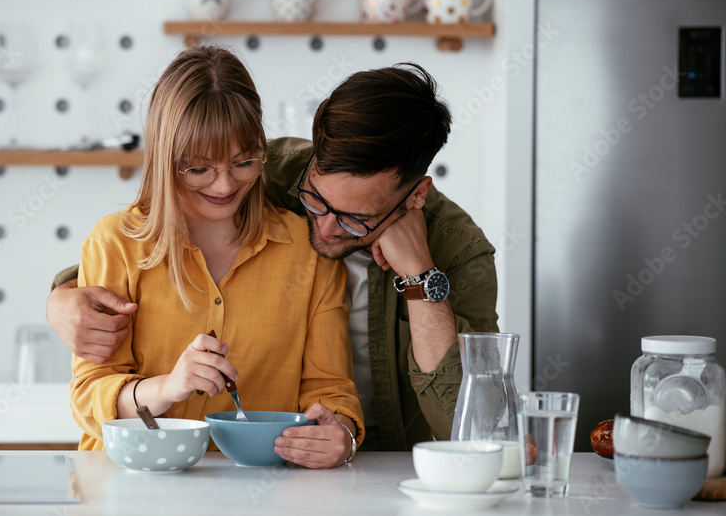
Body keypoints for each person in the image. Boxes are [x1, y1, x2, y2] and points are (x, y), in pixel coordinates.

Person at [51, 62, 498, 451]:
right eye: (315, 200)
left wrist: (420, 278)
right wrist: (60, 301)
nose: (322, 228)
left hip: (370, 451)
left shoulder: (460, 251)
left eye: (355, 220)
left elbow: (476, 428)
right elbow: (131, 255)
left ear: (416, 195)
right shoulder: (270, 170)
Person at [68, 46, 364, 469]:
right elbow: (88, 397)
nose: (225, 185)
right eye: (199, 169)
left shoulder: (307, 250)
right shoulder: (115, 243)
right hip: (130, 488)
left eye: (244, 162)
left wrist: (343, 434)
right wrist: (169, 387)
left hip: (264, 492)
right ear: (165, 159)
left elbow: (330, 388)